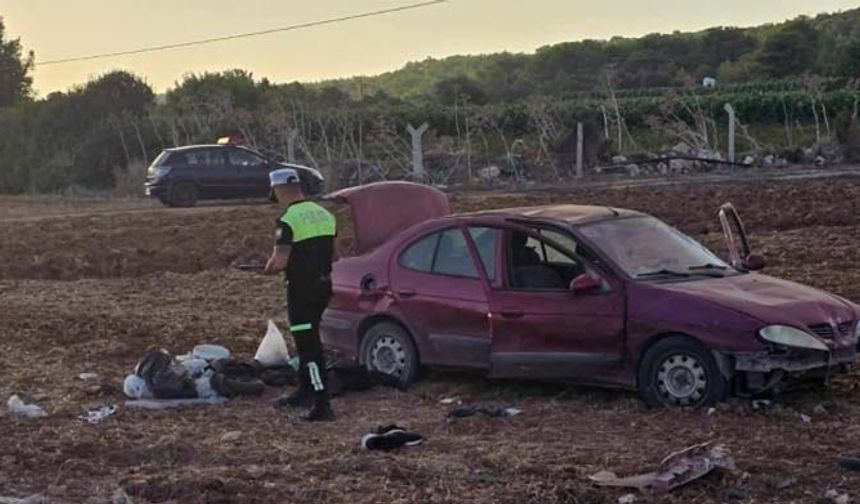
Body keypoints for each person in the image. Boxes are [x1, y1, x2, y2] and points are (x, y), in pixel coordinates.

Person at [264, 168, 337, 422]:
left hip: (301, 290)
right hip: (323, 286)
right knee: (310, 337)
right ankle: (305, 389)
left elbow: (280, 262)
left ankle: (321, 402)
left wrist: (269, 266)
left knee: (308, 346)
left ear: (278, 190)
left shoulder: (288, 220)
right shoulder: (325, 214)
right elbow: (332, 253)